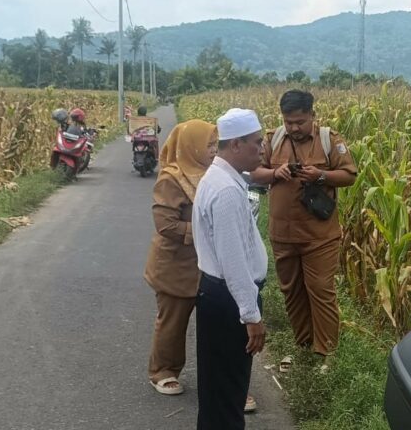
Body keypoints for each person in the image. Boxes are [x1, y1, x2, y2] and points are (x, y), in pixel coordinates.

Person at [250, 90, 357, 366]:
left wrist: (320, 175)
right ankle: (304, 344)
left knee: (320, 289)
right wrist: (276, 172)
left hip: (319, 235)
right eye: (289, 122)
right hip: (283, 234)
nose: (294, 128)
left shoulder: (329, 141)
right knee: (292, 289)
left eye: (300, 122)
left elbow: (349, 175)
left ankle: (326, 352)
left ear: (312, 115)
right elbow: (255, 173)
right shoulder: (273, 140)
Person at [192, 108, 267, 430]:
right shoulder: (225, 191)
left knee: (219, 392)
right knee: (227, 396)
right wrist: (251, 316)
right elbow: (233, 261)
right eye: (257, 142)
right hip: (229, 301)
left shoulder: (222, 179)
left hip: (220, 296)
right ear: (235, 144)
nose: (262, 149)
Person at [143, 120, 218, 396]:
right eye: (209, 145)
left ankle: (221, 378)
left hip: (207, 264)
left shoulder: (214, 174)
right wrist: (206, 231)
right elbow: (166, 225)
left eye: (216, 144)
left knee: (217, 323)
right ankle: (163, 371)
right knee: (173, 322)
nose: (214, 150)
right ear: (191, 147)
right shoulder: (171, 179)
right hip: (175, 265)